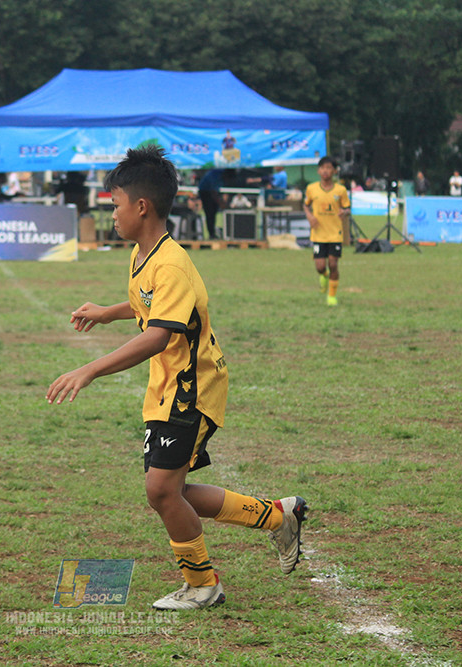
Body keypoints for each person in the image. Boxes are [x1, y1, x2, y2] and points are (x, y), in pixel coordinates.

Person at [46, 146, 307, 610]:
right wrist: (109, 313)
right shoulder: (144, 254)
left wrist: (89, 369)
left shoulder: (170, 263)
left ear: (141, 206)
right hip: (168, 388)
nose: (112, 213)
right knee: (174, 490)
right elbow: (150, 305)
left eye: (115, 203)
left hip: (192, 388)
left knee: (161, 491)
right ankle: (276, 517)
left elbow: (159, 335)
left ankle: (203, 584)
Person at [304, 157, 351, 307]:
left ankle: (332, 296)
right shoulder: (312, 188)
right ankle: (324, 276)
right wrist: (310, 216)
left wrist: (344, 213)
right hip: (318, 234)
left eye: (329, 168)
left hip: (334, 234)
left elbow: (347, 208)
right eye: (323, 168)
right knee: (320, 266)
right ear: (318, 170)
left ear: (334, 171)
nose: (325, 171)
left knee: (333, 264)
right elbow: (305, 205)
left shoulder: (340, 190)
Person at [197, 168, 229, 240]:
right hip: (205, 192)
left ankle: (212, 233)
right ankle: (211, 234)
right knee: (210, 213)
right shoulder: (216, 175)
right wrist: (220, 203)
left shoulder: (220, 174)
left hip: (210, 191)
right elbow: (213, 192)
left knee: (213, 213)